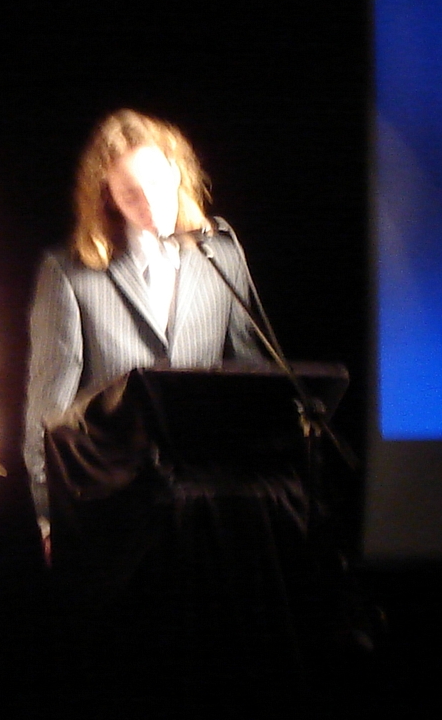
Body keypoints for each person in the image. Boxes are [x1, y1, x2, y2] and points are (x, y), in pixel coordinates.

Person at [23, 108, 262, 545]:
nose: (148, 203)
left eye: (154, 183)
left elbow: (250, 378)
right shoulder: (71, 272)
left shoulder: (220, 253)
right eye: (130, 193)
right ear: (108, 198)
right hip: (110, 507)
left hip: (205, 504)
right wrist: (47, 515)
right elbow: (49, 412)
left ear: (176, 172)